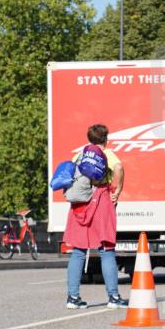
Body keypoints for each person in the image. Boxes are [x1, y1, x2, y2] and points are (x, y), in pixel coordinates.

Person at [63, 124, 128, 309]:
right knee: (106, 249)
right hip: (101, 200)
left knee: (78, 251)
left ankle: (73, 298)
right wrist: (119, 189)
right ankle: (113, 297)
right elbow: (119, 168)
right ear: (105, 139)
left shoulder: (80, 154)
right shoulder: (106, 154)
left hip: (80, 203)